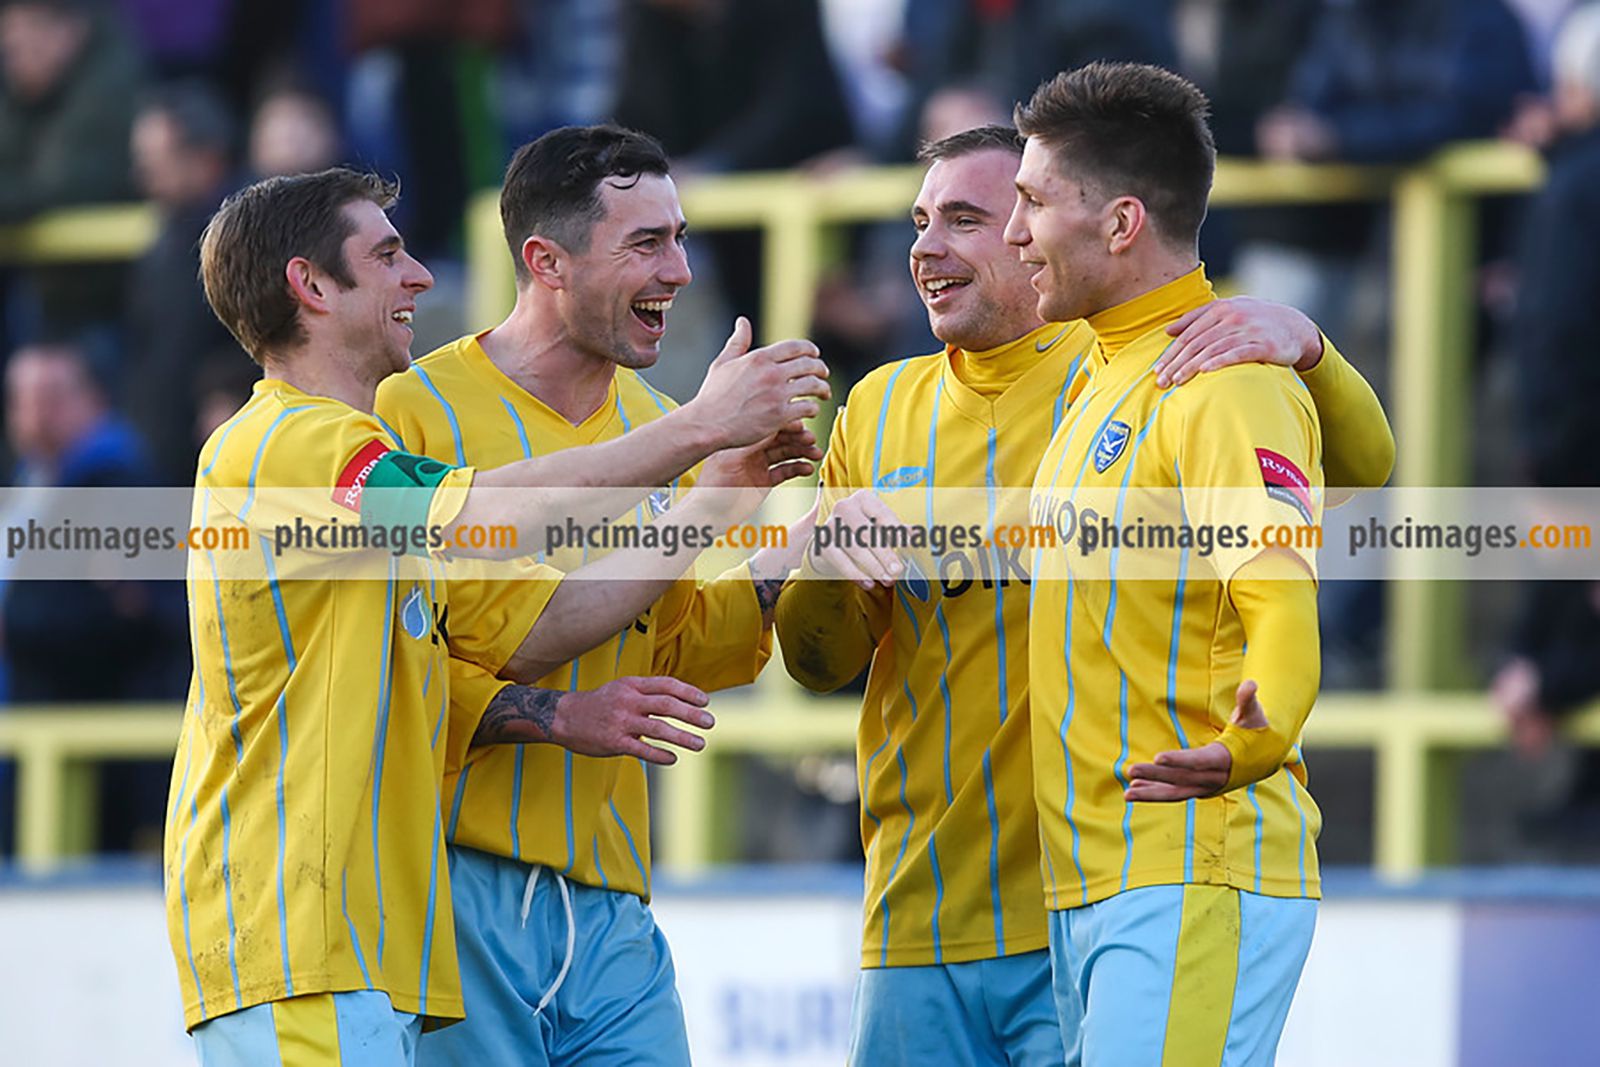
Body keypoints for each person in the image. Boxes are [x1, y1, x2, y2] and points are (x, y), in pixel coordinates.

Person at [164, 166, 828, 1062]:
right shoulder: (287, 445)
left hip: (365, 942)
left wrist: (736, 515)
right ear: (311, 285)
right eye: (388, 254)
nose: (421, 278)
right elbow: (473, 515)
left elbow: (534, 624)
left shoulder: (341, 455)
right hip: (294, 931)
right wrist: (697, 429)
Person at [774, 123, 1393, 1064]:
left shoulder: (1142, 368)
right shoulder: (878, 409)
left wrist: (1310, 349)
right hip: (923, 909)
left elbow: (1348, 476)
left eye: (977, 216)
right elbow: (820, 665)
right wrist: (819, 558)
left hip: (1109, 880)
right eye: (919, 220)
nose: (927, 247)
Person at [374, 124, 817, 1067]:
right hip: (454, 886)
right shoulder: (414, 410)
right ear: (548, 262)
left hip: (614, 902)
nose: (683, 270)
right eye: (647, 243)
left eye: (682, 236)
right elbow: (435, 653)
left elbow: (677, 643)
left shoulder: (666, 427)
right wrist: (561, 712)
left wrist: (787, 554)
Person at [1008, 62, 1338, 1065]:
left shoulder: (1221, 379)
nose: (1014, 230)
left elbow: (1279, 598)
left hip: (1191, 855)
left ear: (1117, 225)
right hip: (1094, 875)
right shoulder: (1101, 374)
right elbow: (1369, 457)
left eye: (1030, 202)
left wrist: (1258, 736)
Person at [124, 80, 242, 483]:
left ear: (207, 159)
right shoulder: (166, 234)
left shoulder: (252, 235)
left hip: (222, 441)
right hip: (165, 440)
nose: (143, 174)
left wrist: (229, 391)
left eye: (158, 159)